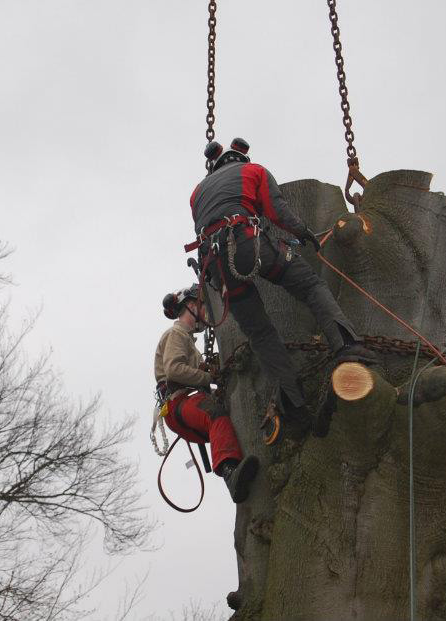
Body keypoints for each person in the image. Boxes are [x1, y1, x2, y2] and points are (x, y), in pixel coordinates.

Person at [187, 137, 373, 420]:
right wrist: (303, 233)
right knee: (310, 285)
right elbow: (277, 212)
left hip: (216, 267)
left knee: (259, 333)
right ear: (241, 156)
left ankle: (291, 399)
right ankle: (347, 346)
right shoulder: (254, 171)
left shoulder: (197, 193)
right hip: (246, 244)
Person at [155, 284, 258, 503]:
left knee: (222, 414)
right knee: (215, 414)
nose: (206, 313)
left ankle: (231, 459)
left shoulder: (188, 342)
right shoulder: (176, 334)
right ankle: (231, 474)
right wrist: (208, 378)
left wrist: (210, 371)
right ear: (191, 305)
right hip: (178, 403)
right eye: (202, 306)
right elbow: (174, 369)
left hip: (186, 401)